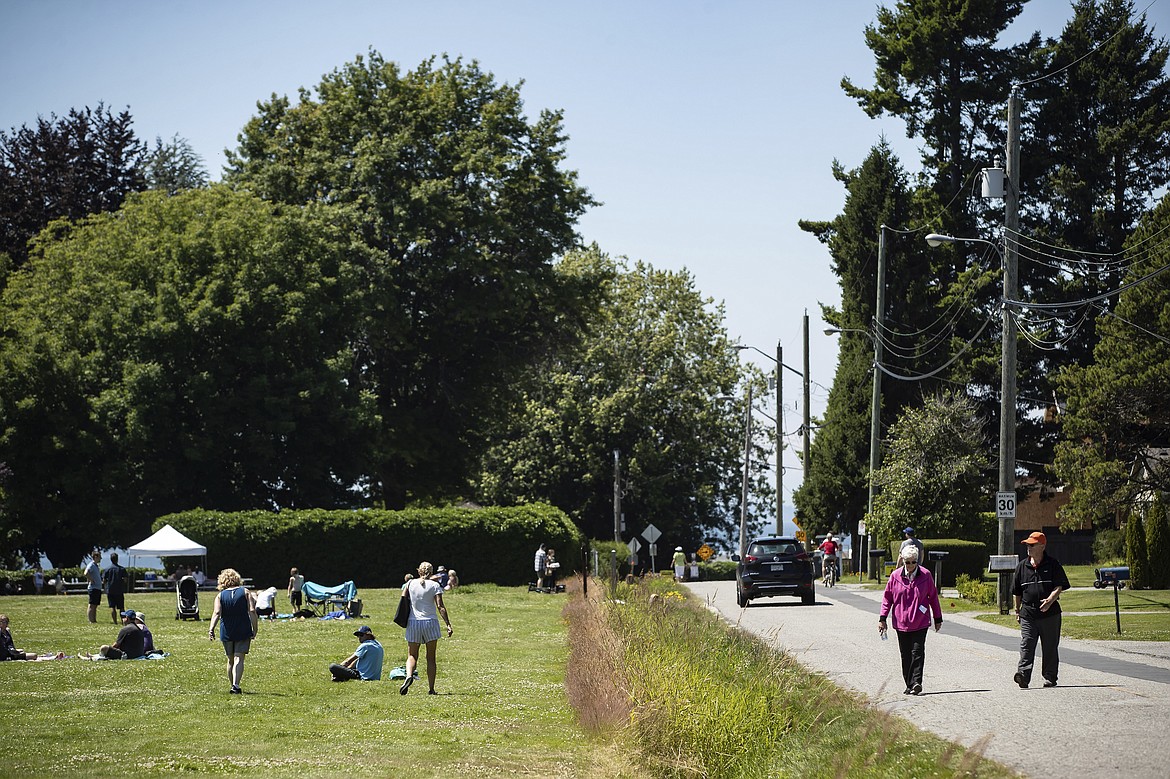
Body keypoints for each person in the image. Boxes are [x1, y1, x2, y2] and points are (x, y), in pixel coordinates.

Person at [878, 546, 943, 695]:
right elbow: (887, 598)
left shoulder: (925, 575)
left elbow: (933, 597)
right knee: (905, 654)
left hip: (920, 621)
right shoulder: (895, 576)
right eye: (908, 562)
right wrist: (882, 618)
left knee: (917, 652)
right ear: (903, 561)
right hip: (901, 622)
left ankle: (916, 682)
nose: (911, 565)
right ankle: (909, 683)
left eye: (914, 562)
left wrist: (938, 618)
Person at [1011, 531, 1071, 689]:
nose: (1028, 547)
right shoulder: (1021, 566)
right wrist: (1017, 610)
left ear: (1042, 546)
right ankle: (1023, 676)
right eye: (1027, 545)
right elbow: (1017, 592)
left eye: (1032, 545)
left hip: (1050, 614)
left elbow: (1060, 585)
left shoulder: (1053, 564)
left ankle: (1050, 677)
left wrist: (1050, 600)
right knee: (1027, 644)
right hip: (1028, 613)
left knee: (1050, 646)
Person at [400, 561, 453, 695]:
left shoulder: (410, 583)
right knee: (431, 658)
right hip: (430, 622)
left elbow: (403, 600)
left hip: (413, 622)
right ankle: (431, 689)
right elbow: (440, 606)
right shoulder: (435, 585)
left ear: (419, 571)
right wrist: (447, 624)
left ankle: (408, 676)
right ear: (432, 571)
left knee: (412, 655)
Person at [208, 568, 258, 694]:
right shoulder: (245, 592)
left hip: (226, 630)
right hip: (242, 628)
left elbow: (217, 613)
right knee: (239, 658)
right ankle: (236, 685)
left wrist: (211, 629)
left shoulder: (220, 596)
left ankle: (233, 685)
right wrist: (255, 628)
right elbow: (252, 610)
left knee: (230, 660)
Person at [103, 552, 127, 624]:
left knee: (112, 607)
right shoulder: (122, 569)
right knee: (121, 607)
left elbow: (104, 580)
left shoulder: (107, 569)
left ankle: (115, 621)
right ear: (117, 559)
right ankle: (123, 621)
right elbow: (125, 579)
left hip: (110, 590)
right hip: (119, 590)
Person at [84, 550, 102, 623]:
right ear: (95, 557)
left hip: (97, 588)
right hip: (93, 588)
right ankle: (91, 620)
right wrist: (91, 580)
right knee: (91, 605)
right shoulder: (91, 565)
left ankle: (94, 619)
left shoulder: (95, 565)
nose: (100, 559)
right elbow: (86, 573)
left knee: (95, 605)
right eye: (99, 557)